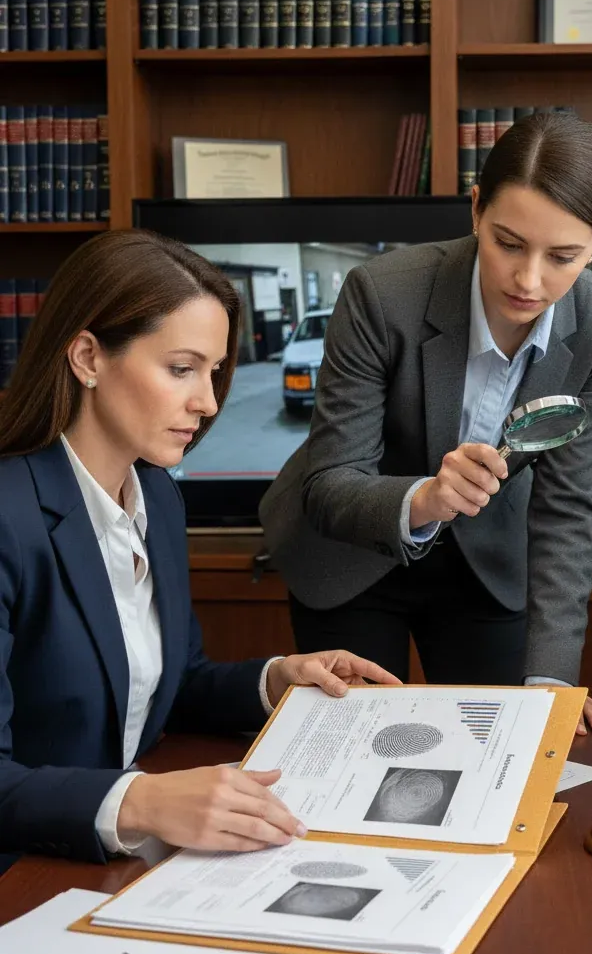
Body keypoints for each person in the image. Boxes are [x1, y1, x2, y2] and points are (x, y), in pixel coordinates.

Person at [0, 230, 400, 869]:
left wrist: (277, 680)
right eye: (181, 369)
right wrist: (143, 802)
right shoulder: (8, 517)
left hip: (114, 863)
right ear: (87, 357)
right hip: (25, 872)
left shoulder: (156, 495)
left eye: (213, 372)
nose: (208, 402)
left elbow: (168, 685)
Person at [259, 111, 592, 735]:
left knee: (503, 740)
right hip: (351, 547)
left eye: (564, 255)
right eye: (508, 242)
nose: (529, 279)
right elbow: (328, 482)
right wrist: (427, 497)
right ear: (476, 209)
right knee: (350, 752)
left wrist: (552, 683)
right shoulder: (382, 293)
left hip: (488, 558)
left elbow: (568, 509)